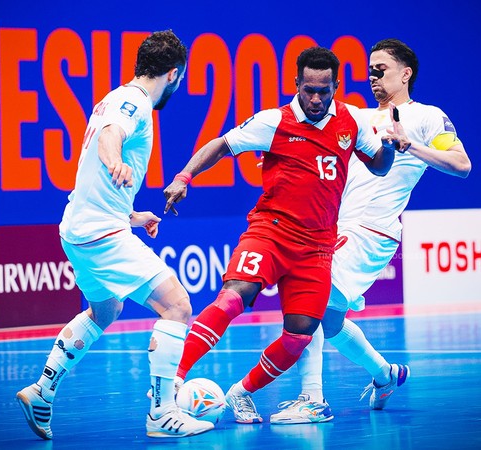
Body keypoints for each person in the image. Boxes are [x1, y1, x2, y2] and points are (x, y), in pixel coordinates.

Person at [162, 46, 396, 424]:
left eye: (324, 91)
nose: (316, 99)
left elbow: (380, 166)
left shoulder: (351, 120)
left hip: (317, 247)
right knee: (233, 297)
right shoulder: (274, 121)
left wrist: (389, 145)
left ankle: (241, 393)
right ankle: (172, 380)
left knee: (300, 335)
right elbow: (222, 145)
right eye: (309, 90)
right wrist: (183, 177)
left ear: (336, 86)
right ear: (296, 84)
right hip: (271, 233)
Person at [15, 30, 214, 439]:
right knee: (177, 307)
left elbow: (100, 164)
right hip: (100, 234)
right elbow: (111, 136)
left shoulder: (114, 96)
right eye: (180, 78)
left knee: (105, 310)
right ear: (173, 74)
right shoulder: (135, 102)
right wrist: (114, 162)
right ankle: (162, 414)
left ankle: (41, 391)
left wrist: (132, 216)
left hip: (79, 229)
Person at [269, 38, 472, 424]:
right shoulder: (356, 118)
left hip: (372, 230)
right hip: (336, 227)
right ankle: (385, 374)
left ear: (405, 74)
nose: (373, 77)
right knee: (329, 322)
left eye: (381, 70)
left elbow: (461, 165)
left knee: (309, 300)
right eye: (370, 71)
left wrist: (409, 146)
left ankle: (312, 399)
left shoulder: (426, 117)